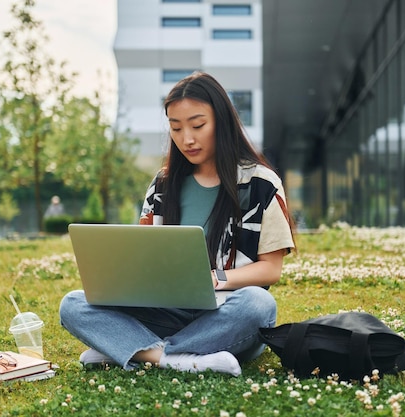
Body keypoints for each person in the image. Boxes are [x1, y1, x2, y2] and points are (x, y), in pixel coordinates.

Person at [59, 71, 295, 376]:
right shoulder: (163, 185)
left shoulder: (261, 184)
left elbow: (270, 269)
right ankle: (175, 358)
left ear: (222, 122)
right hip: (163, 309)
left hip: (225, 311)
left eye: (198, 125)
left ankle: (132, 349)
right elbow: (142, 253)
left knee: (259, 305)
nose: (187, 139)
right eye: (176, 128)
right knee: (74, 304)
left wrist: (215, 277)